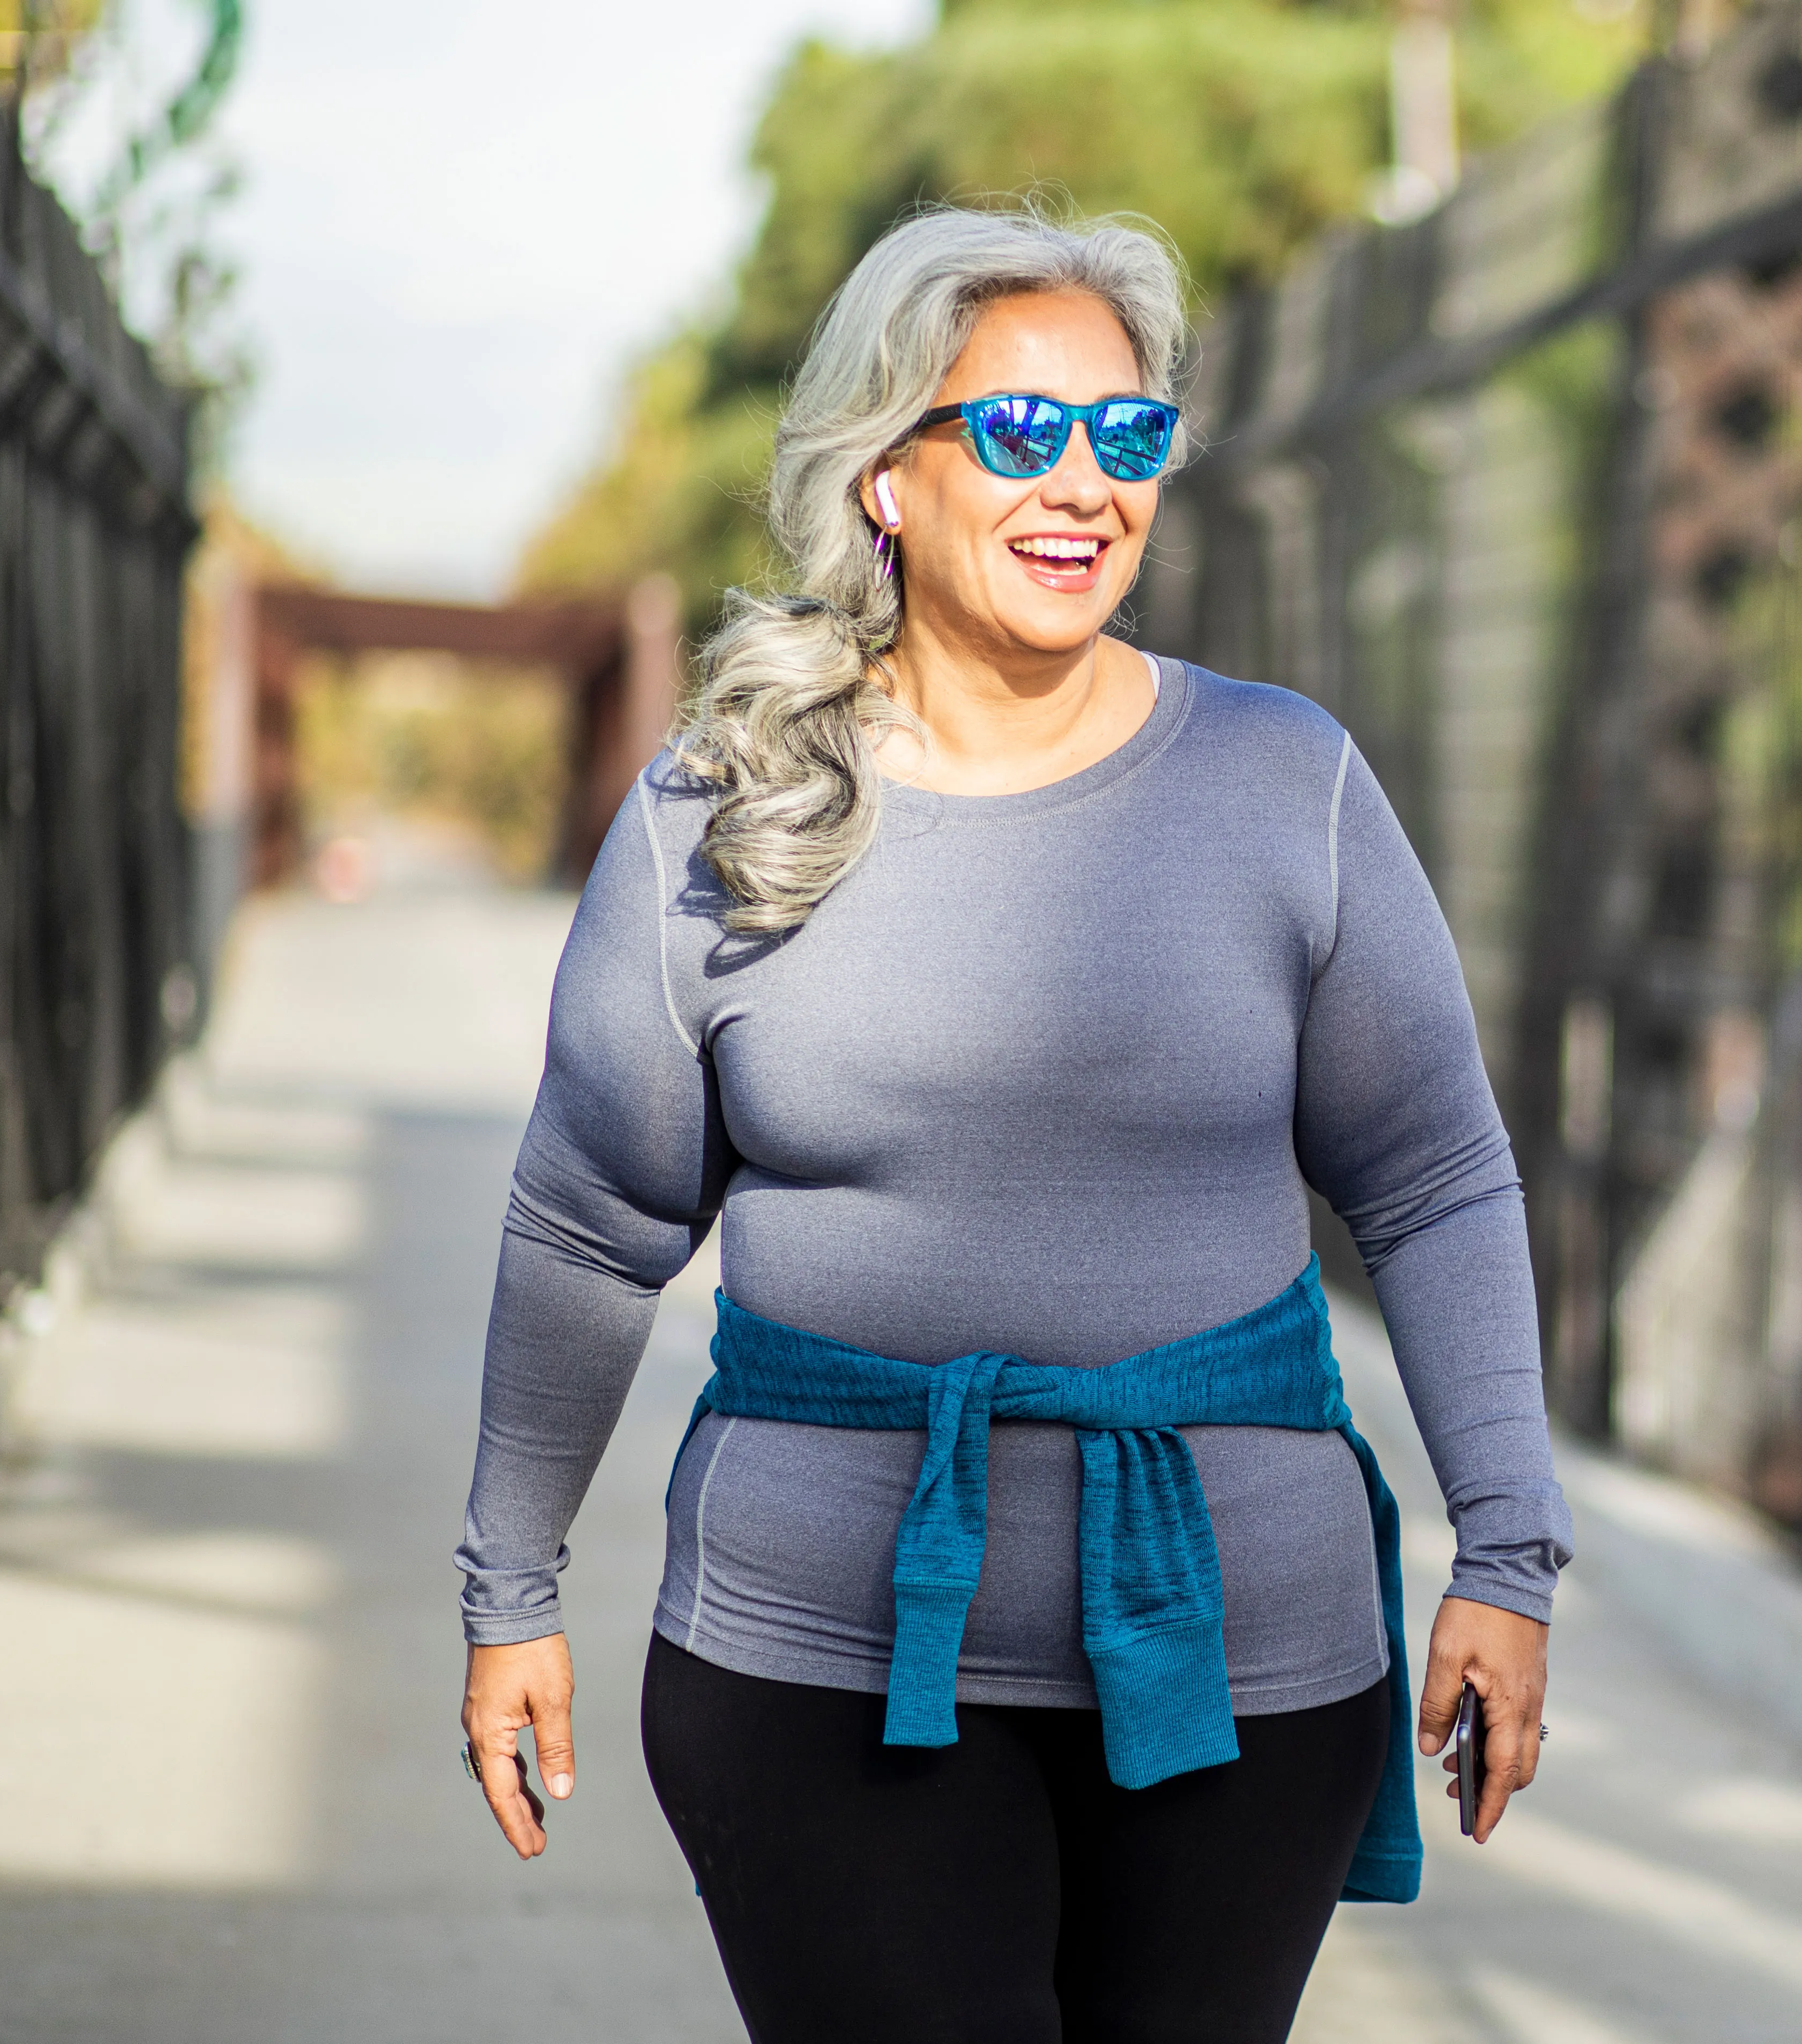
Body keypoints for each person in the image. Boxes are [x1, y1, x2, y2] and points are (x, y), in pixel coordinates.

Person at [451, 203, 1568, 2044]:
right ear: (887, 476)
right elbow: (588, 1225)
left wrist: (1508, 1554)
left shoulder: (1286, 782)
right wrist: (511, 1584)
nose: (1086, 484)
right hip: (817, 1657)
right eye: (1023, 429)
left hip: (1243, 1663)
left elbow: (1436, 1177)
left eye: (1128, 433)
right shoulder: (721, 812)